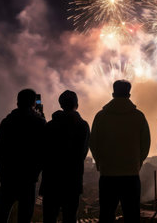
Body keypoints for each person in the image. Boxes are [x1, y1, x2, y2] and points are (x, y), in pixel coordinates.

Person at [90, 80, 151, 223]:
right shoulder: (138, 116)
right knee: (132, 214)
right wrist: (137, 162)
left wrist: (100, 162)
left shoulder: (101, 116)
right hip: (131, 174)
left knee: (106, 214)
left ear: (113, 93)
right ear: (129, 94)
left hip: (108, 174)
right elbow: (145, 144)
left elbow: (93, 143)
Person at [0, 89, 46, 223]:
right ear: (34, 103)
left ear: (17, 102)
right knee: (25, 218)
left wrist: (3, 175)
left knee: (1, 216)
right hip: (28, 180)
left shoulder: (6, 122)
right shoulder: (39, 123)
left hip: (8, 178)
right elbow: (43, 151)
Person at [40, 90, 90, 223]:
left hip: (51, 180)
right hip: (72, 180)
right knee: (70, 217)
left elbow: (43, 152)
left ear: (60, 105)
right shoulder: (83, 126)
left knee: (49, 218)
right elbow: (82, 153)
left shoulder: (49, 126)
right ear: (77, 105)